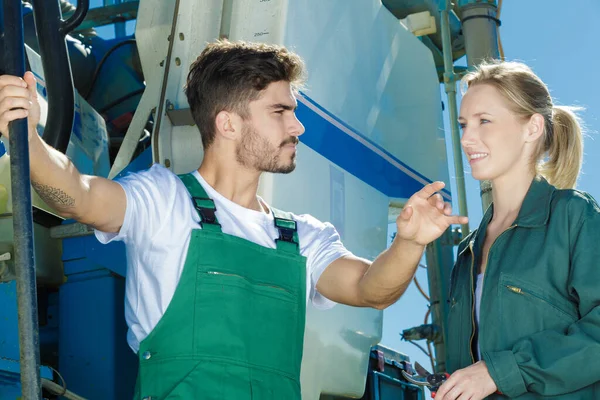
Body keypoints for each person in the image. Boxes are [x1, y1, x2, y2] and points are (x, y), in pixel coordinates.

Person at [0, 40, 466, 399]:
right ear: (227, 124)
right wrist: (31, 142)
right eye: (280, 112)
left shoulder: (302, 236)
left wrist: (409, 243)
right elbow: (78, 196)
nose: (297, 127)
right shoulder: (165, 201)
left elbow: (370, 289)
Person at [435, 61, 600, 400]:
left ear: (532, 127)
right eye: (463, 124)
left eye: (484, 121)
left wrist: (500, 371)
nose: (467, 138)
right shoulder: (469, 249)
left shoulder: (573, 216)